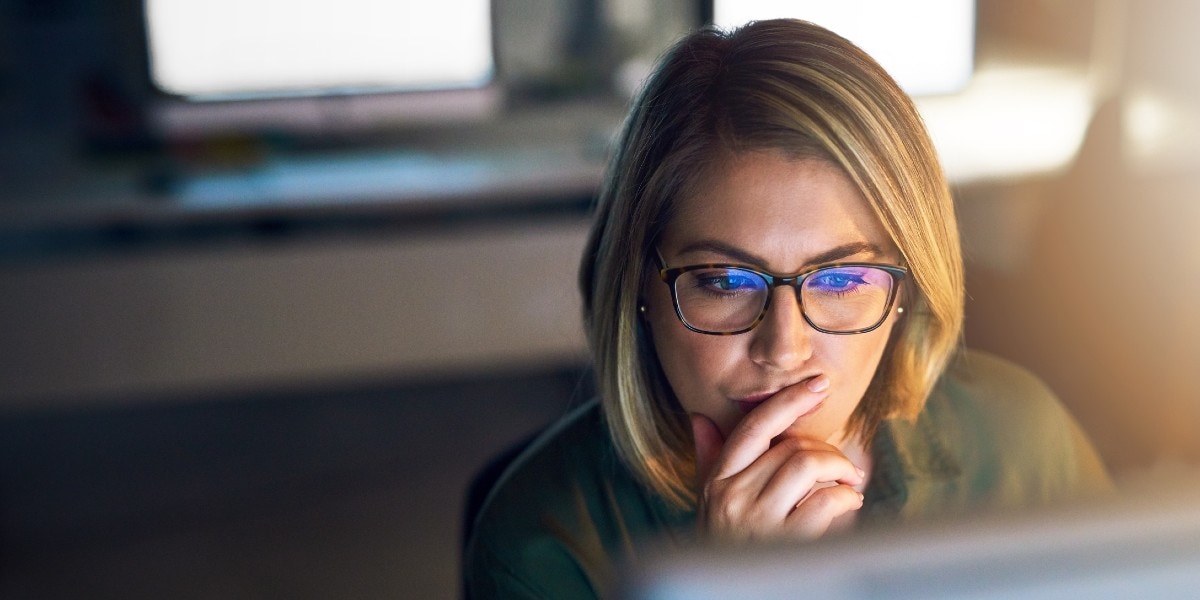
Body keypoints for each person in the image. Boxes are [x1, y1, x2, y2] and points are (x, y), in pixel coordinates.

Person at [463, 18, 1113, 598]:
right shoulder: (540, 547)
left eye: (840, 280)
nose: (784, 349)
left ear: (907, 288)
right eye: (723, 281)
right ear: (639, 284)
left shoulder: (1023, 444)